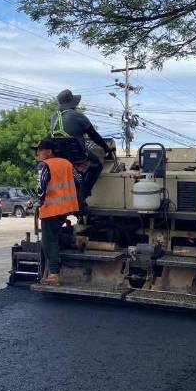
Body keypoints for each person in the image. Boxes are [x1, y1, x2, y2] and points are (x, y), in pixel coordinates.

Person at [50, 88, 113, 209]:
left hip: (58, 156)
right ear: (73, 104)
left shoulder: (53, 117)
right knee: (96, 165)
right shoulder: (78, 116)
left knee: (77, 170)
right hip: (77, 156)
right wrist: (106, 149)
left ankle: (72, 194)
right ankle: (82, 197)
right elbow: (94, 136)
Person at [36, 138, 79, 285]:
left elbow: (41, 187)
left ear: (49, 151)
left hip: (51, 209)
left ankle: (54, 273)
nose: (38, 154)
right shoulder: (67, 163)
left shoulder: (44, 165)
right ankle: (74, 241)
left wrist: (39, 202)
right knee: (54, 235)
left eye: (40, 150)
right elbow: (78, 182)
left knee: (48, 240)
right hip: (66, 208)